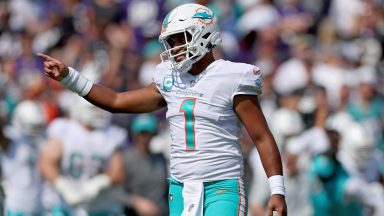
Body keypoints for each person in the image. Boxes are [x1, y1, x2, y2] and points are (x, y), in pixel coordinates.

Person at [38, 3, 287, 216]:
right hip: (179, 187)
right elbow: (116, 102)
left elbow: (261, 136)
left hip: (221, 185)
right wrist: (69, 77)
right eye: (172, 41)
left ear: (204, 34)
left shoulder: (233, 76)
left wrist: (277, 189)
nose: (176, 47)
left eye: (182, 38)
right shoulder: (169, 77)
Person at [39, 97, 127, 215]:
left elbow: (118, 172)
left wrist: (100, 183)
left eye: (100, 109)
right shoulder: (65, 129)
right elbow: (46, 162)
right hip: (65, 207)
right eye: (94, 109)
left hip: (99, 207)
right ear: (80, 109)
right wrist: (63, 186)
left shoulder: (111, 134)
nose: (98, 113)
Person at [0, 100, 47, 215]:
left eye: (37, 126)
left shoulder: (41, 141)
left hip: (39, 205)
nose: (34, 130)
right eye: (32, 126)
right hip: (17, 206)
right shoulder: (11, 137)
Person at [118, 113, 169, 216]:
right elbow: (116, 192)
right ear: (134, 134)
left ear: (154, 134)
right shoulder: (125, 158)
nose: (144, 137)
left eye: (148, 133)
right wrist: (136, 202)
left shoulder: (161, 158)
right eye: (141, 132)